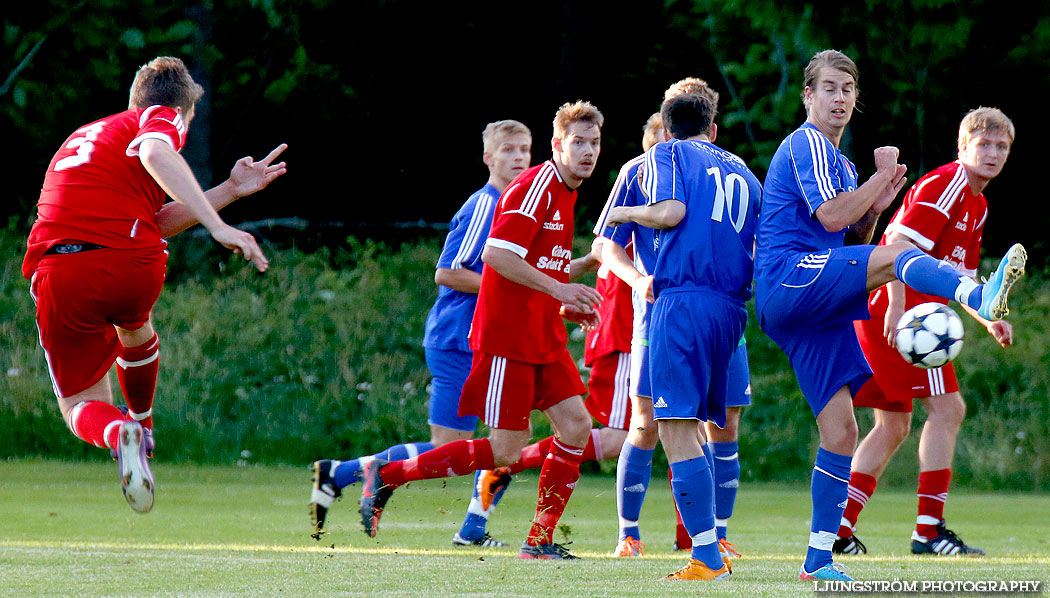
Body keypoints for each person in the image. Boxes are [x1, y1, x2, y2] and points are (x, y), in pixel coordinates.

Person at [754, 50, 1025, 581]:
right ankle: (978, 296)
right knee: (903, 262)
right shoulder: (807, 142)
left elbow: (853, 235)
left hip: (814, 297)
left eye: (848, 90)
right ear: (808, 95)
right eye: (829, 88)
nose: (840, 98)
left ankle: (819, 560)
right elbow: (835, 218)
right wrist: (879, 181)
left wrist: (879, 198)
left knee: (841, 432)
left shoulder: (839, 164)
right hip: (791, 276)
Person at [22, 56, 285, 513]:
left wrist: (228, 189)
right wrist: (217, 223)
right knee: (135, 326)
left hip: (63, 271)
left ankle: (122, 432)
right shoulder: (159, 117)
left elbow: (150, 216)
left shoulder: (87, 136)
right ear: (184, 112)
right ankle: (140, 426)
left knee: (79, 406)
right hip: (131, 266)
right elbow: (155, 152)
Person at [358, 101, 605, 560]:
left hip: (542, 337)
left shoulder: (567, 192)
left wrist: (571, 287)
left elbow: (533, 268)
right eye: (578, 143)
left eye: (593, 143)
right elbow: (495, 257)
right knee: (505, 451)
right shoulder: (535, 187)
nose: (587, 151)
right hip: (509, 340)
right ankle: (387, 474)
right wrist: (560, 288)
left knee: (575, 426)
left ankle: (539, 541)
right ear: (557, 146)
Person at [308, 120, 533, 546]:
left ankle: (469, 526)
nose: (518, 157)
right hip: (458, 340)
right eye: (508, 150)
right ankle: (355, 473)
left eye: (525, 149)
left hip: (491, 344)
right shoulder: (486, 205)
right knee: (450, 448)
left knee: (510, 439)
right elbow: (447, 272)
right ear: (488, 157)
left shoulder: (517, 207)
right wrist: (512, 283)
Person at [835, 107, 1016, 557]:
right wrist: (896, 306)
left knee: (894, 424)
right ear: (962, 147)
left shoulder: (978, 203)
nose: (992, 153)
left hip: (895, 309)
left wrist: (987, 316)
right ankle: (928, 531)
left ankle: (838, 529)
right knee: (948, 410)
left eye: (1001, 146)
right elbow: (896, 246)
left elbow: (963, 279)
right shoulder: (949, 184)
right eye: (984, 144)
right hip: (902, 310)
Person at [605, 90, 761, 581]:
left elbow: (670, 212)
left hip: (681, 303)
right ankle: (711, 541)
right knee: (704, 428)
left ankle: (707, 555)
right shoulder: (743, 170)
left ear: (667, 129)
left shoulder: (664, 154)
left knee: (672, 427)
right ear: (713, 128)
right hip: (731, 308)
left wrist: (627, 213)